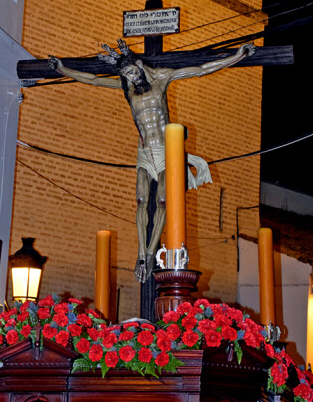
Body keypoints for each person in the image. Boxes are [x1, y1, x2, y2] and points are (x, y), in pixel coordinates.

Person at [50, 40, 255, 282]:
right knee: (140, 200)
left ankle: (151, 252)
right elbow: (93, 80)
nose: (131, 77)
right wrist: (62, 69)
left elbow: (201, 69)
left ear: (139, 65)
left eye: (132, 71)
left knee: (162, 202)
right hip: (145, 152)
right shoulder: (128, 89)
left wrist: (237, 56)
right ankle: (141, 254)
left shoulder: (161, 78)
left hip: (166, 150)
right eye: (126, 75)